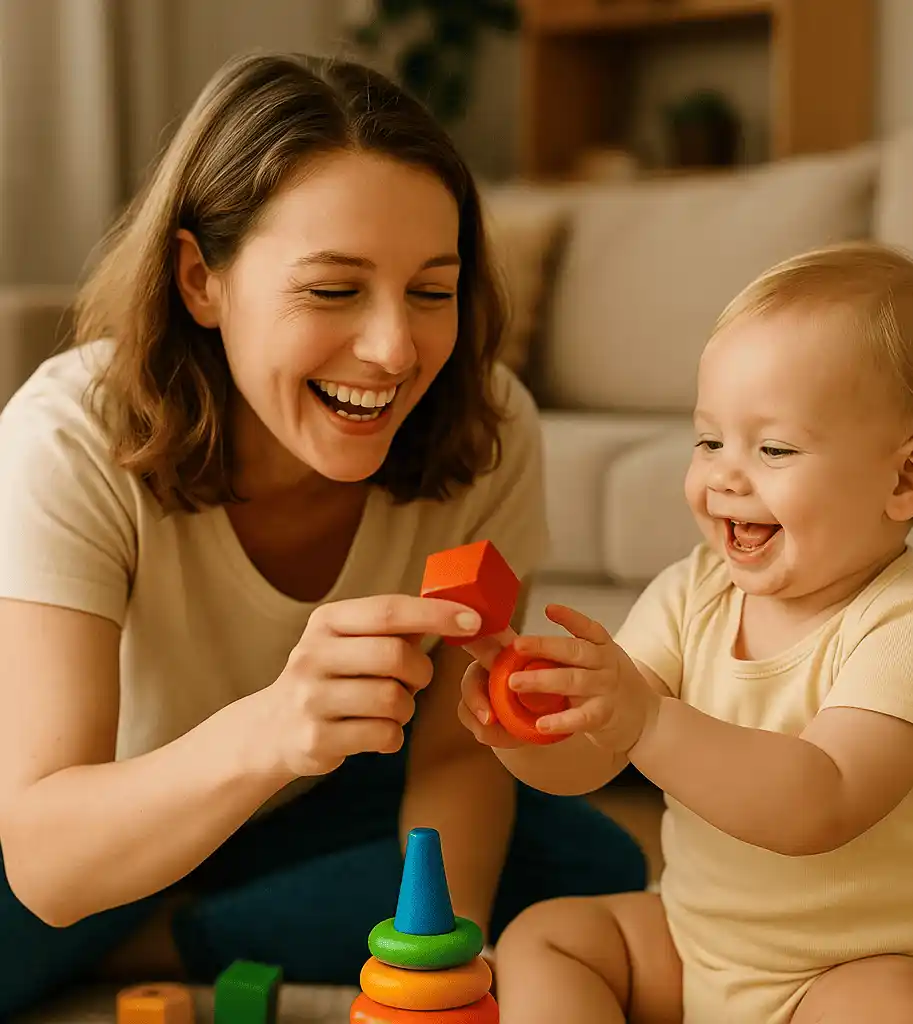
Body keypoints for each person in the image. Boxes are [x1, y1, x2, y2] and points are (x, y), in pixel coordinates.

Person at [0, 52, 646, 1017]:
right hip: (68, 817)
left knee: (589, 866)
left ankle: (169, 933)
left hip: (301, 805)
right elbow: (47, 861)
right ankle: (172, 921)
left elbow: (457, 751)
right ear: (199, 280)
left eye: (432, 291)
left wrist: (434, 968)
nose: (393, 350)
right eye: (334, 290)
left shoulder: (485, 426)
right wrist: (270, 730)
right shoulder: (69, 436)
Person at [460, 242, 913, 1024]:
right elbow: (590, 758)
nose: (723, 475)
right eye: (709, 440)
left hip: (853, 969)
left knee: (906, 1009)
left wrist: (645, 719)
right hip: (694, 946)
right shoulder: (693, 593)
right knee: (545, 937)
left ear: (908, 478)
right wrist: (525, 722)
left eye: (773, 448)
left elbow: (821, 801)